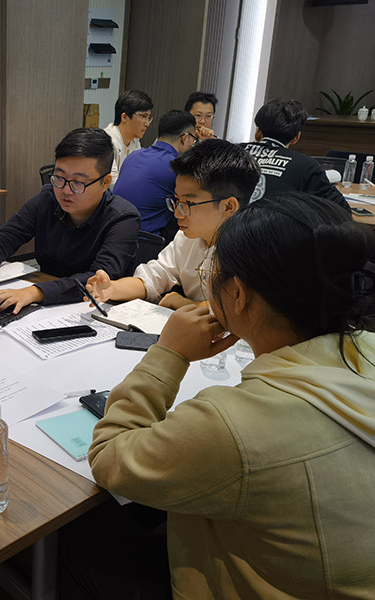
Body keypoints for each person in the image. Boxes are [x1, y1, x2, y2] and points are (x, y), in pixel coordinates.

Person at [88, 192, 375, 598]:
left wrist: (168, 353)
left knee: (82, 537)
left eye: (211, 272)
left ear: (238, 294)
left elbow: (108, 459)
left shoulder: (233, 424)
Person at [0, 127, 140, 313]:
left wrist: (35, 292)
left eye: (78, 183)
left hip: (94, 311)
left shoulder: (123, 219)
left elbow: (97, 281)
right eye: (59, 178)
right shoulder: (48, 199)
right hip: (44, 306)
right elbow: (2, 240)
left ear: (105, 182)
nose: (66, 190)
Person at [86, 139, 260, 310]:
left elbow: (237, 310)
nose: (177, 213)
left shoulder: (253, 249)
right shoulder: (187, 238)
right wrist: (112, 288)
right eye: (177, 200)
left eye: (188, 204)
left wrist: (182, 303)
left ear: (228, 207)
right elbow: (155, 276)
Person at [244, 97, 350, 213]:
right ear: (296, 138)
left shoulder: (232, 151)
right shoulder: (305, 165)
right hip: (273, 223)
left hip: (230, 222)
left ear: (257, 132)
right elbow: (342, 210)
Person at [113, 110, 198, 243]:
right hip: (144, 242)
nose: (193, 143)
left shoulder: (134, 156)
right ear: (185, 137)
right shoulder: (176, 167)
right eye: (193, 139)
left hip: (113, 233)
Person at [103, 90, 154, 183]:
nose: (147, 123)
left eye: (149, 118)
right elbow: (112, 183)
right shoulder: (106, 140)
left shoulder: (135, 140)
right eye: (143, 116)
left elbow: (139, 173)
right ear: (124, 117)